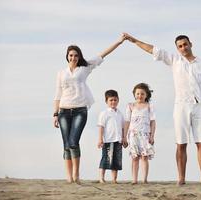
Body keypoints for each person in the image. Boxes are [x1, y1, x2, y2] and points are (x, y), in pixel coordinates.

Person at [124, 33, 201, 186]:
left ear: (190, 44)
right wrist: (134, 41)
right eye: (180, 46)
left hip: (199, 106)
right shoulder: (175, 60)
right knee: (181, 143)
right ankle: (181, 178)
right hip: (181, 105)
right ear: (177, 48)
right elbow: (153, 50)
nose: (183, 48)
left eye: (185, 44)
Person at [53, 35, 126, 184]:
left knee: (74, 141)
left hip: (80, 109)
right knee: (66, 143)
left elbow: (102, 54)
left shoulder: (85, 67)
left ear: (79, 56)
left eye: (75, 55)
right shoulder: (61, 73)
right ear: (67, 57)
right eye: (70, 55)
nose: (73, 57)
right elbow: (57, 94)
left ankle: (76, 174)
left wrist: (118, 41)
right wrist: (55, 113)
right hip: (63, 110)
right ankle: (69, 176)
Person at [124, 83, 156, 184]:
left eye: (142, 94)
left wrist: (152, 136)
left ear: (146, 95)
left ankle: (144, 179)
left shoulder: (149, 106)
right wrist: (124, 136)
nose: (140, 96)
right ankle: (134, 179)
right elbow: (127, 122)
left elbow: (153, 122)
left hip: (145, 135)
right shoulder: (130, 106)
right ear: (134, 94)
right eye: (137, 93)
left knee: (144, 157)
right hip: (133, 135)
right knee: (134, 157)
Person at [97, 90, 125, 184]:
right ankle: (101, 178)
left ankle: (114, 179)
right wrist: (100, 139)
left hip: (118, 140)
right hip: (108, 140)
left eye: (115, 100)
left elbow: (122, 127)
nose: (113, 102)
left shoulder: (120, 114)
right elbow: (101, 126)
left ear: (118, 100)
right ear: (106, 101)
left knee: (116, 160)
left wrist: (124, 138)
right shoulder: (104, 113)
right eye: (111, 100)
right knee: (105, 158)